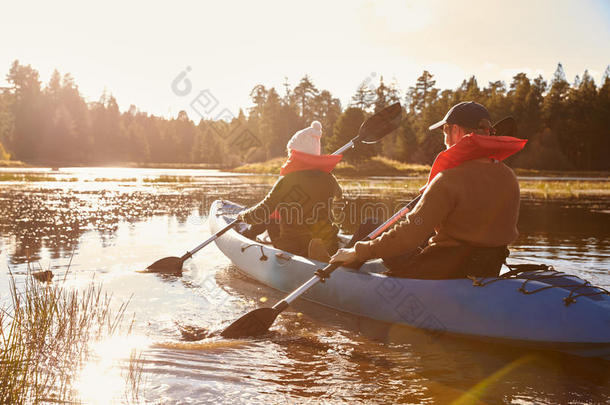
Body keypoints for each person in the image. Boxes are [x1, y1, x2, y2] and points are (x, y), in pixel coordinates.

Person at [330, 101, 527, 279]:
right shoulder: (508, 177)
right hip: (486, 269)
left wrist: (358, 251)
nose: (445, 139)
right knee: (420, 236)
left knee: (371, 225)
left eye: (445, 131)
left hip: (443, 272)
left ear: (456, 131)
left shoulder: (447, 180)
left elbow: (408, 236)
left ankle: (338, 268)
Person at [239, 121, 343, 261]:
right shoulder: (330, 179)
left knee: (270, 216)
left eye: (290, 153)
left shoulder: (287, 180)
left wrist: (242, 216)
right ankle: (324, 250)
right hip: (327, 242)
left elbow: (260, 213)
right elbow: (339, 196)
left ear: (296, 154)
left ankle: (249, 236)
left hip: (294, 246)